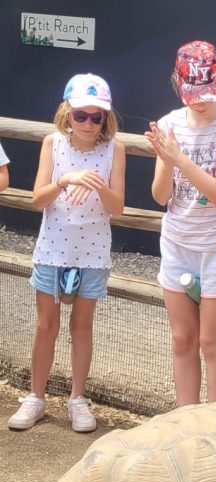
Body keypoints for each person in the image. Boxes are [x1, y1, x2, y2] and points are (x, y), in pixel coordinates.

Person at [8, 73, 125, 433]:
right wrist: (64, 180)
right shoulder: (52, 144)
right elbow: (37, 199)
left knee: (82, 327)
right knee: (46, 325)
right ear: (67, 113)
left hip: (92, 252)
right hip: (52, 249)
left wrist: (97, 184)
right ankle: (36, 396)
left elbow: (117, 207)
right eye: (81, 115)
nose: (89, 123)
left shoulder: (115, 149)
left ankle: (78, 399)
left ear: (106, 118)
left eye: (96, 116)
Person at [145, 40, 216, 406]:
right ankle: (185, 419)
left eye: (208, 91)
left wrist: (179, 159)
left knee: (211, 342)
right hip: (178, 242)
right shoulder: (169, 124)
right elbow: (161, 195)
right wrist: (167, 159)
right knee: (182, 339)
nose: (201, 100)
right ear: (178, 83)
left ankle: (214, 422)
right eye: (194, 92)